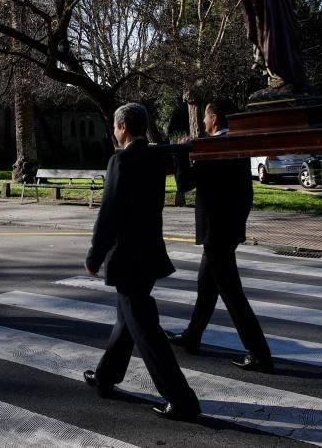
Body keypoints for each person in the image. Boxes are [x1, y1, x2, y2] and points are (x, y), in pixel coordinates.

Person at [83, 103, 201, 421]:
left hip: (127, 256)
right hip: (149, 252)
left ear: (122, 127)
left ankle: (181, 398)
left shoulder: (121, 160)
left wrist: (95, 255)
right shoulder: (155, 156)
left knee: (145, 329)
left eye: (115, 127)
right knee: (126, 320)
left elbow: (109, 213)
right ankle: (106, 376)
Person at [166, 100, 274, 373]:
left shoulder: (214, 147)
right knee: (207, 288)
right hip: (227, 228)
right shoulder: (236, 145)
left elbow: (185, 184)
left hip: (215, 230)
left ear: (213, 118)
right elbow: (245, 193)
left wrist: (181, 152)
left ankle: (258, 352)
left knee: (231, 293)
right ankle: (193, 335)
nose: (203, 122)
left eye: (205, 117)